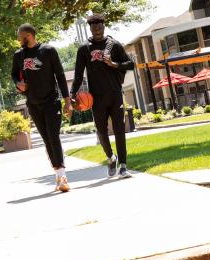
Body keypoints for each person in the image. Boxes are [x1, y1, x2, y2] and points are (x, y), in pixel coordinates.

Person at [71, 13, 134, 179]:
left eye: (100, 26)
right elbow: (78, 74)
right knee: (101, 131)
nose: (97, 29)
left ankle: (123, 166)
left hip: (115, 94)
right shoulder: (84, 48)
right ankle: (111, 158)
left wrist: (114, 64)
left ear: (104, 26)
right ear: (90, 28)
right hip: (96, 97)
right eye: (94, 27)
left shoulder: (114, 45)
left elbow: (130, 64)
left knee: (120, 129)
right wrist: (72, 94)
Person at [11, 23, 73, 192]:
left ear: (29, 35)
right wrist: (18, 84)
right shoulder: (19, 55)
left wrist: (67, 101)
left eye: (20, 36)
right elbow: (14, 74)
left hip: (51, 101)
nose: (18, 39)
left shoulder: (48, 51)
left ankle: (62, 176)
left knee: (53, 136)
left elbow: (60, 75)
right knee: (46, 139)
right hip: (33, 103)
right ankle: (58, 174)